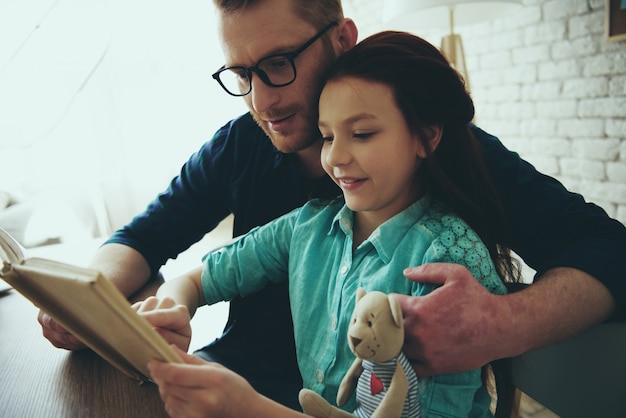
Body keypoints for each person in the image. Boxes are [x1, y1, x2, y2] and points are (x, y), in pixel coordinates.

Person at [37, 0, 625, 411]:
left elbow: (610, 251)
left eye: (277, 65)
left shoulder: (445, 152)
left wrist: (501, 324)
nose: (263, 100)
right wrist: (85, 299)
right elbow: (141, 239)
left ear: (343, 39)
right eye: (242, 74)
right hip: (226, 382)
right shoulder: (242, 147)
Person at [135, 30, 519, 417]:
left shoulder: (447, 258)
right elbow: (200, 279)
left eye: (362, 134)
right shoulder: (309, 224)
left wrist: (248, 409)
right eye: (326, 136)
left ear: (427, 135)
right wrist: (174, 308)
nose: (335, 156)